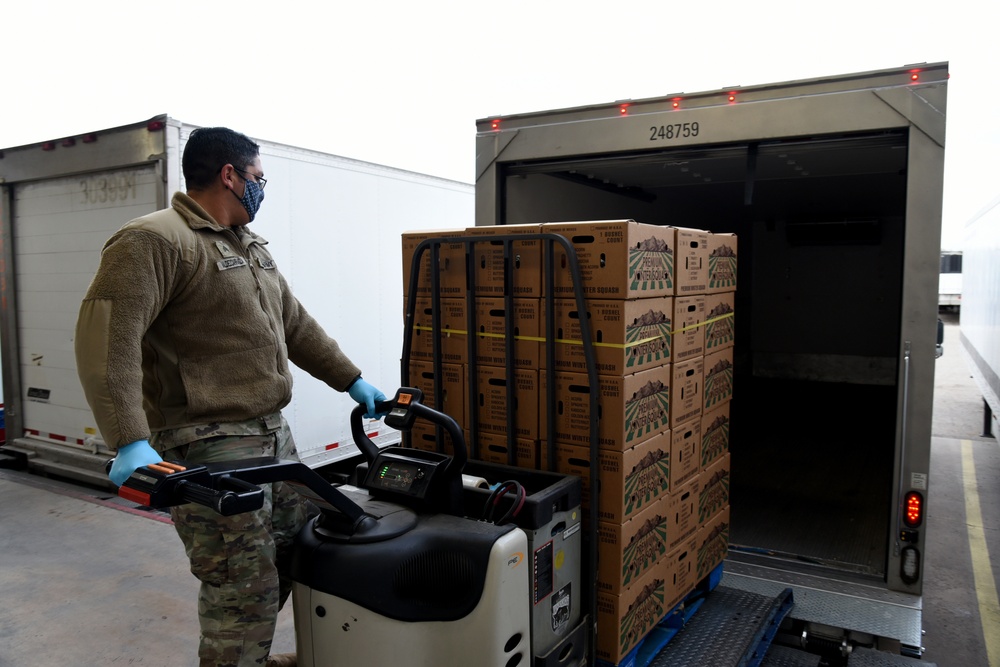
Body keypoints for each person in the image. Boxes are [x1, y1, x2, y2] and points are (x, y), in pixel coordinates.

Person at [74, 126, 387, 667]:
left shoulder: (248, 245)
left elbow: (296, 325)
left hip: (271, 435)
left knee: (301, 547)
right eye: (258, 178)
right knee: (241, 583)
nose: (261, 188)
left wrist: (352, 379)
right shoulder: (155, 241)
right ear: (230, 175)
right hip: (210, 442)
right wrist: (129, 439)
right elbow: (108, 341)